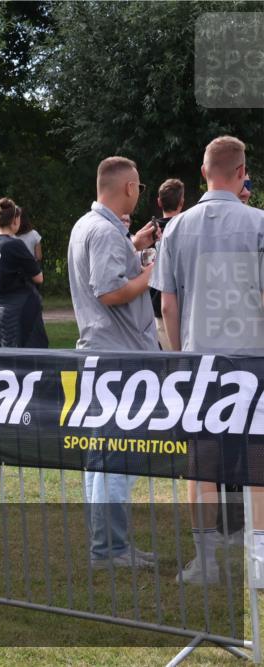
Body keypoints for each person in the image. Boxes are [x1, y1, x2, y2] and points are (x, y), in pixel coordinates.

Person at [150, 135, 264, 584]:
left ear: (203, 173)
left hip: (199, 363)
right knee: (258, 466)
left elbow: (168, 306)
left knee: (203, 465)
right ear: (241, 173)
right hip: (254, 362)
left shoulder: (176, 228)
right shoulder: (259, 224)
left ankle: (206, 561)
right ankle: (259, 563)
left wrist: (179, 356)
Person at [67, 156, 160, 569]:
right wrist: (152, 272)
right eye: (139, 188)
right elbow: (109, 290)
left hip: (105, 356)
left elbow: (108, 273)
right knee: (113, 458)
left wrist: (134, 248)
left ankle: (110, 544)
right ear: (128, 187)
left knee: (103, 458)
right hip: (117, 361)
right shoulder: (104, 232)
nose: (140, 194)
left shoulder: (92, 227)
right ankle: (110, 550)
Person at [0, 198, 47, 348]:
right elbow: (39, 277)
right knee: (28, 363)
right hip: (19, 313)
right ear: (15, 220)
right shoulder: (15, 244)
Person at [148, 179, 185, 350]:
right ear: (181, 202)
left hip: (153, 312)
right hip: (182, 311)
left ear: (159, 202)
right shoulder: (185, 231)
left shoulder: (145, 234)